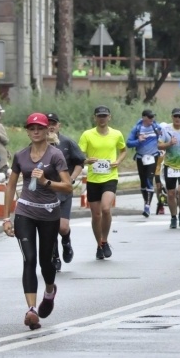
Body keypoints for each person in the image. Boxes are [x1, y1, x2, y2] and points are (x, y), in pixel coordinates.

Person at [3, 113, 71, 330]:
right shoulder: (20, 156)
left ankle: (50, 291)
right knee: (29, 259)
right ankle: (31, 310)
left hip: (49, 213)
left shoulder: (55, 155)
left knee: (45, 262)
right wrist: (7, 217)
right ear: (27, 131)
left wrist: (45, 181)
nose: (35, 131)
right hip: (25, 212)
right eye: (31, 128)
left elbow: (68, 186)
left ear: (47, 131)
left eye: (39, 128)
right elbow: (11, 186)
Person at [78, 106, 127, 259]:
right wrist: (86, 160)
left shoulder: (116, 134)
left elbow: (123, 150)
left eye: (105, 116)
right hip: (93, 178)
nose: (102, 119)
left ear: (109, 117)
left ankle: (105, 241)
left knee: (106, 209)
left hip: (110, 177)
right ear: (95, 118)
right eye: (99, 116)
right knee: (96, 215)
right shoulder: (87, 135)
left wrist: (118, 161)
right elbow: (79, 155)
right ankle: (99, 244)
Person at [46, 113, 85, 271]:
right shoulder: (38, 144)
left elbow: (80, 162)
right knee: (50, 228)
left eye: (53, 123)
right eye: (48, 123)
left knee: (62, 227)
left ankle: (66, 242)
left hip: (63, 191)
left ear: (59, 125)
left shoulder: (67, 142)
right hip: (46, 193)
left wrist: (72, 178)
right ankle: (54, 256)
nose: (51, 126)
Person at [159, 108, 180, 229]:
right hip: (170, 165)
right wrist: (169, 144)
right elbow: (159, 145)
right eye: (175, 116)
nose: (177, 119)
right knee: (171, 193)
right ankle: (173, 217)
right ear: (172, 117)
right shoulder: (165, 129)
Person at [126, 109, 162, 217]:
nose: (152, 119)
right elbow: (128, 143)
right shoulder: (137, 128)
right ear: (144, 118)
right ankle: (146, 201)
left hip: (153, 156)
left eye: (153, 117)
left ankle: (147, 206)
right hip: (141, 157)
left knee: (149, 179)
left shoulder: (156, 127)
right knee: (143, 182)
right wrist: (138, 141)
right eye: (150, 117)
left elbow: (164, 136)